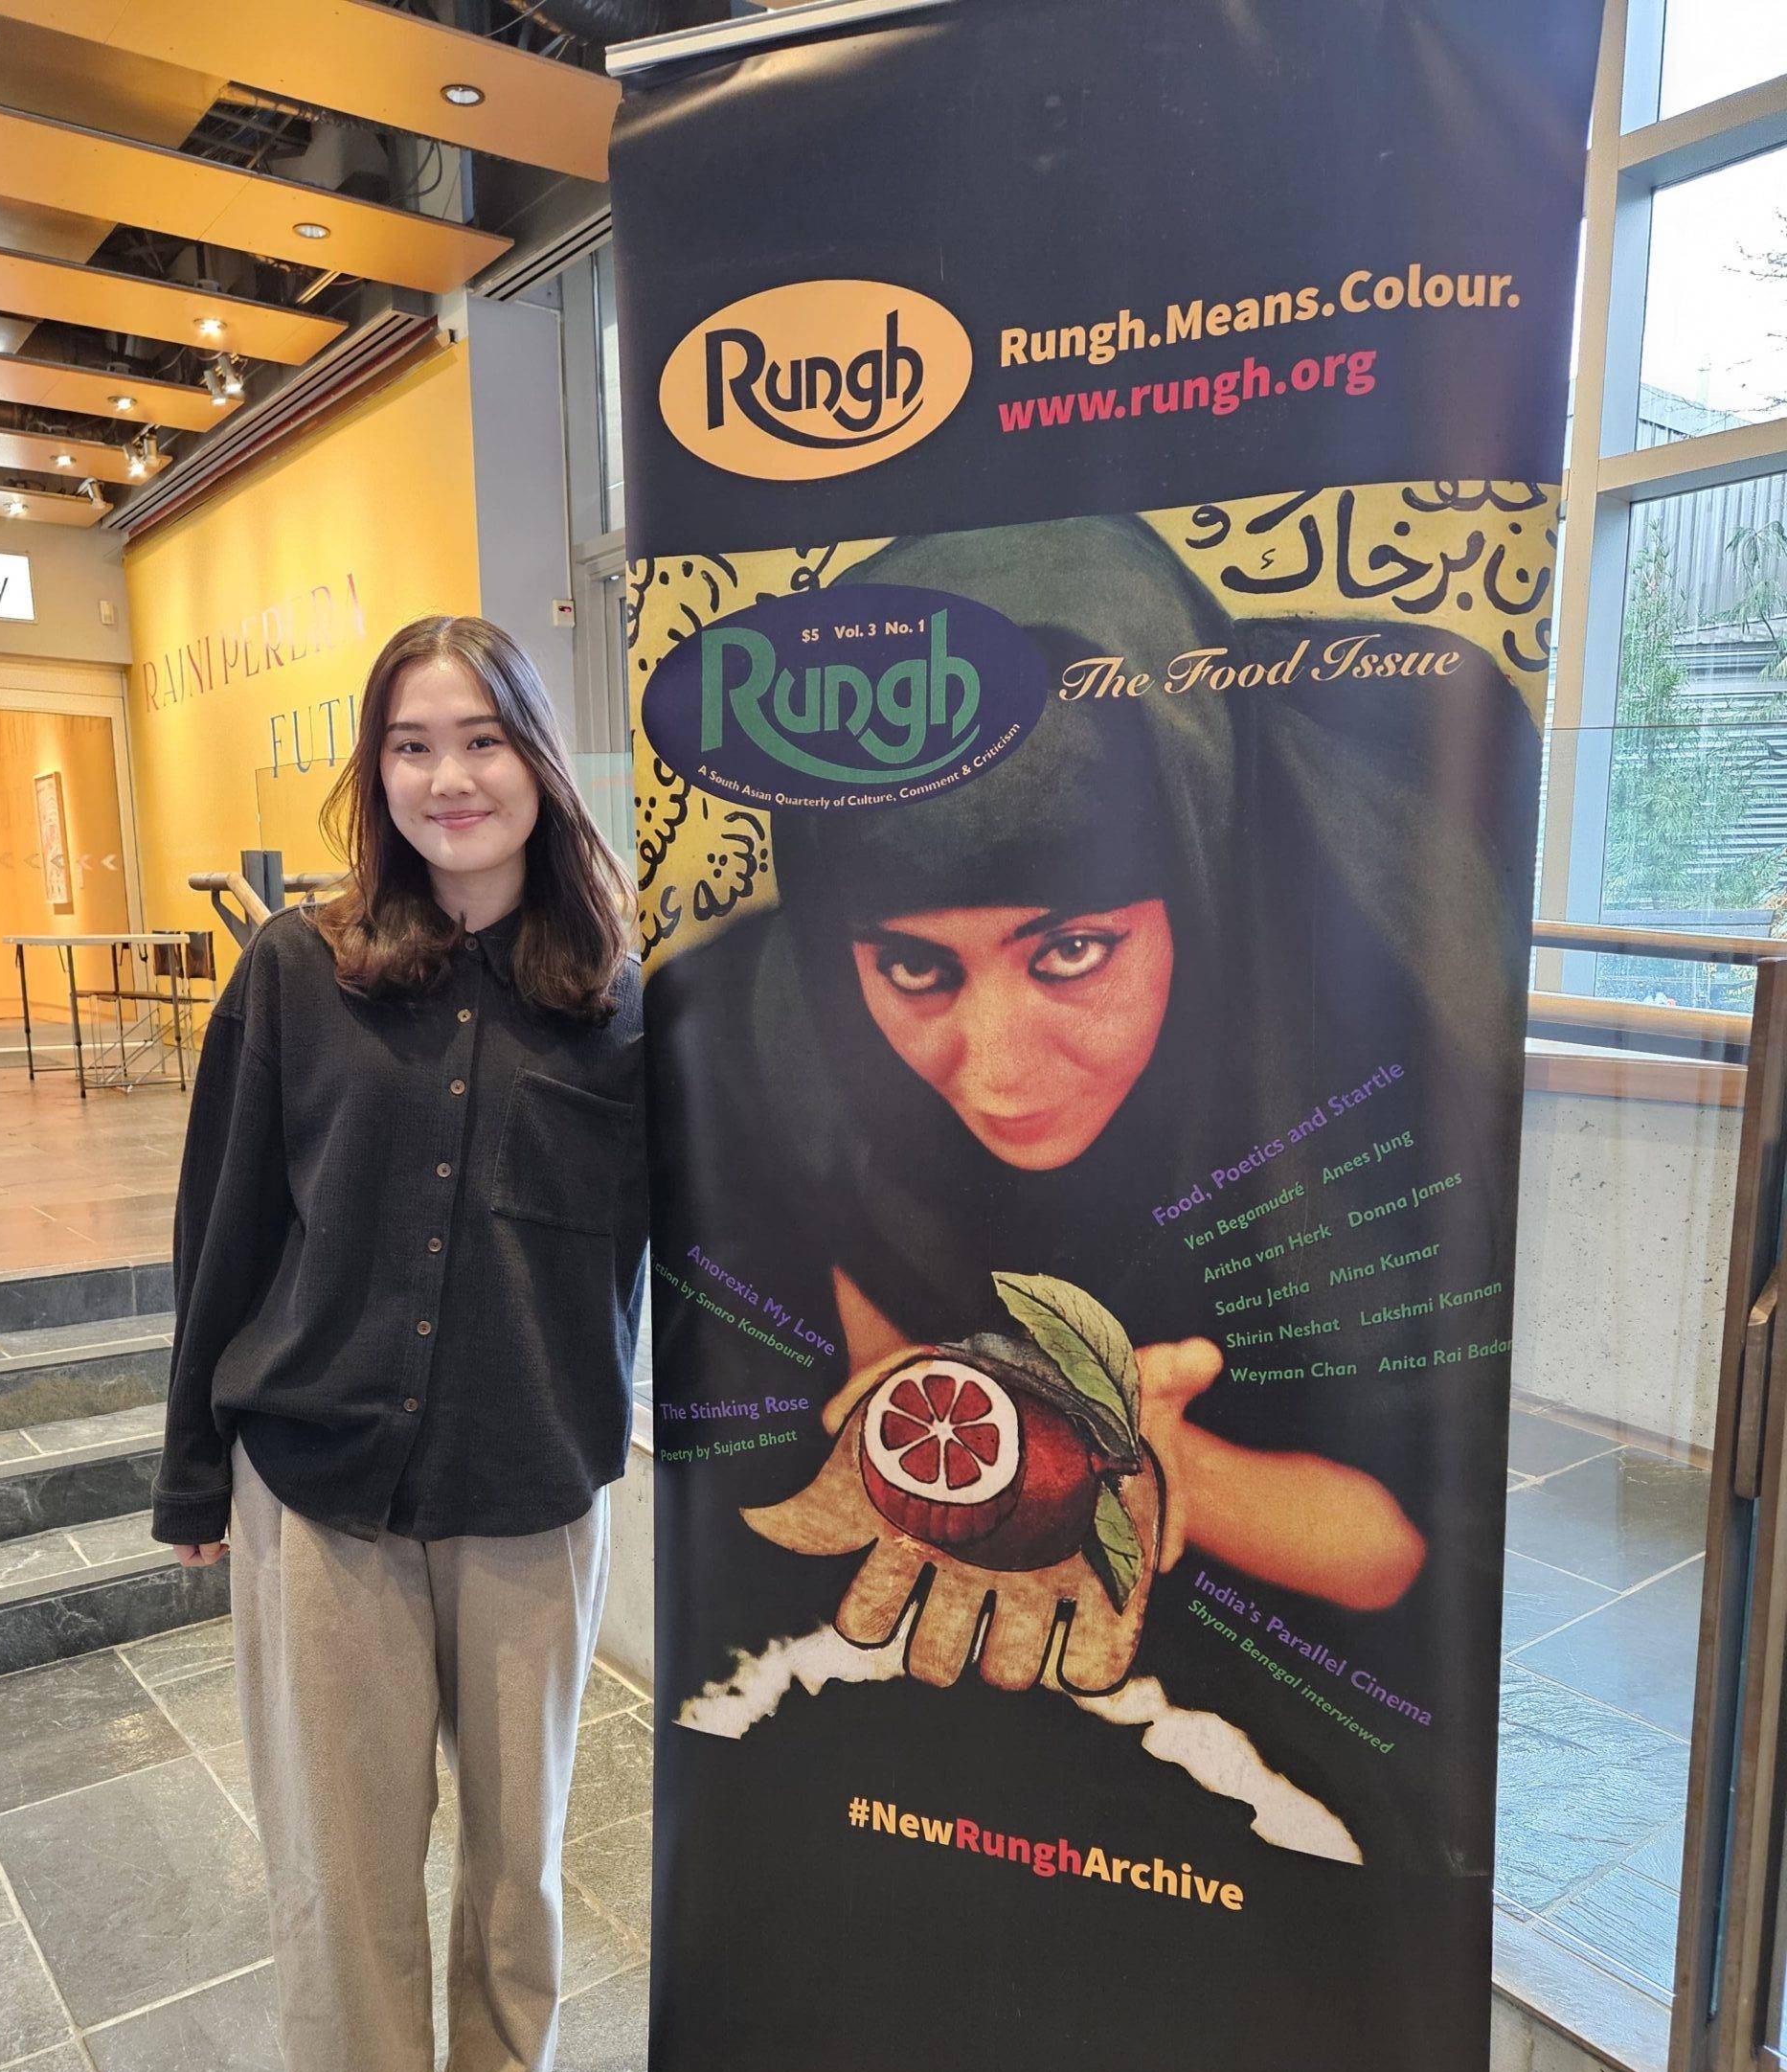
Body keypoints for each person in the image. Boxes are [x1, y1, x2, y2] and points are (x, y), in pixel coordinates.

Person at [646, 512, 1538, 1866]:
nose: (997, 1071)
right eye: (913, 969)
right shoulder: (766, 1043)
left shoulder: (1372, 1052)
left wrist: (1157, 1461)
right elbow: (827, 1356)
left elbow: (1416, 1547)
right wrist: (948, 1417)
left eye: (1069, 951)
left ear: (1188, 865)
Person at [152, 614, 645, 2072]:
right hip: (323, 1485)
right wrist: (188, 1472)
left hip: (532, 1488)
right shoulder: (298, 970)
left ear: (536, 762)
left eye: (483, 740)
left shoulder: (619, 997)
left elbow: (687, 1243)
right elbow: (221, 1225)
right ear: (377, 775)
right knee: (344, 1859)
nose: (450, 777)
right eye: (412, 746)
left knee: (521, 1856)